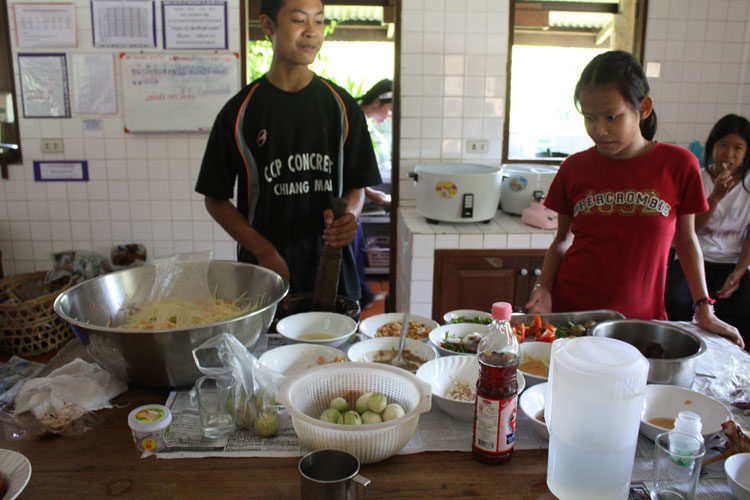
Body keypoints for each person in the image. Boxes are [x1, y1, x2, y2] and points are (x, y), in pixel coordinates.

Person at [524, 50, 744, 348]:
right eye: (589, 117)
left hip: (640, 322)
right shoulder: (574, 168)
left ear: (644, 107)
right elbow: (561, 241)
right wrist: (543, 287)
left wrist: (704, 307)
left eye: (611, 116)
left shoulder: (679, 165)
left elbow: (686, 239)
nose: (598, 130)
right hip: (572, 316)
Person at [194, 0, 382, 304]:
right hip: (265, 272)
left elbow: (356, 186)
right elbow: (215, 199)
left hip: (333, 270)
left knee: (334, 352)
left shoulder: (342, 107)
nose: (312, 32)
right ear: (268, 25)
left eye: (319, 21)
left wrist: (349, 216)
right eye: (299, 20)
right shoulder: (240, 112)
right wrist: (263, 250)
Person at [665, 114, 750, 349]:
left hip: (729, 262)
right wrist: (715, 198)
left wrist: (740, 271)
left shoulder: (748, 185)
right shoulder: (698, 178)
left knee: (744, 307)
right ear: (712, 146)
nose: (729, 154)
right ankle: (679, 349)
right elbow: (689, 231)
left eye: (737, 147)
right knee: (674, 299)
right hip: (694, 258)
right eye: (722, 145)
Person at [353, 79, 392, 307]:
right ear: (377, 101)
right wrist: (372, 193)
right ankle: (360, 297)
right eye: (388, 109)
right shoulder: (356, 121)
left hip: (356, 194)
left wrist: (369, 192)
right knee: (356, 243)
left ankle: (363, 295)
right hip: (347, 198)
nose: (388, 115)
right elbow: (349, 171)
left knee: (358, 245)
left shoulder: (365, 122)